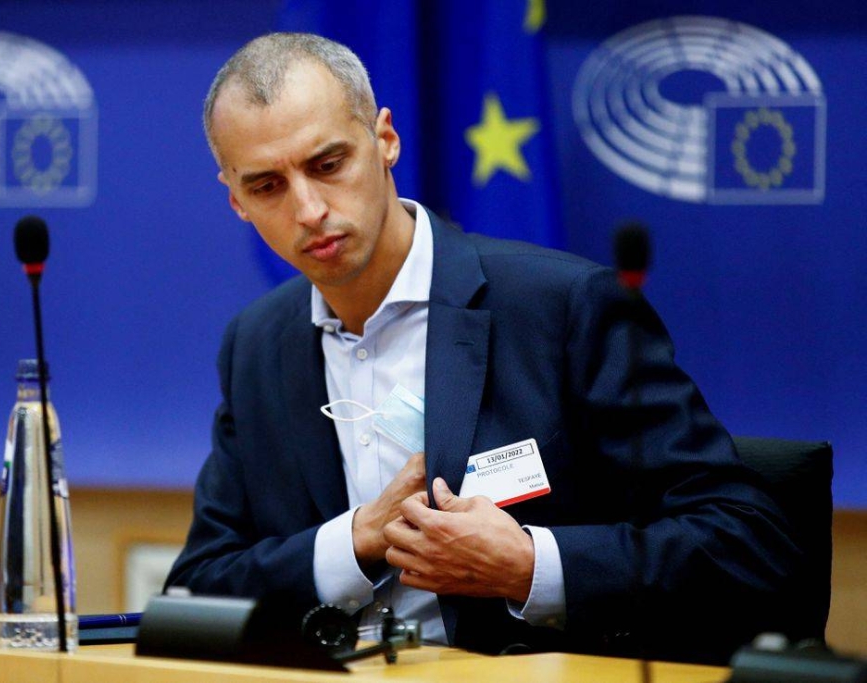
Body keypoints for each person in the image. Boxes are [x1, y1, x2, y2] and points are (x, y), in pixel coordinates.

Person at [166, 32, 800, 663]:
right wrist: (356, 540)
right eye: (267, 186)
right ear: (236, 200)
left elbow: (747, 542)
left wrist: (528, 565)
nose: (308, 209)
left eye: (328, 165)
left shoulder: (561, 306)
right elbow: (198, 586)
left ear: (385, 140)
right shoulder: (256, 344)